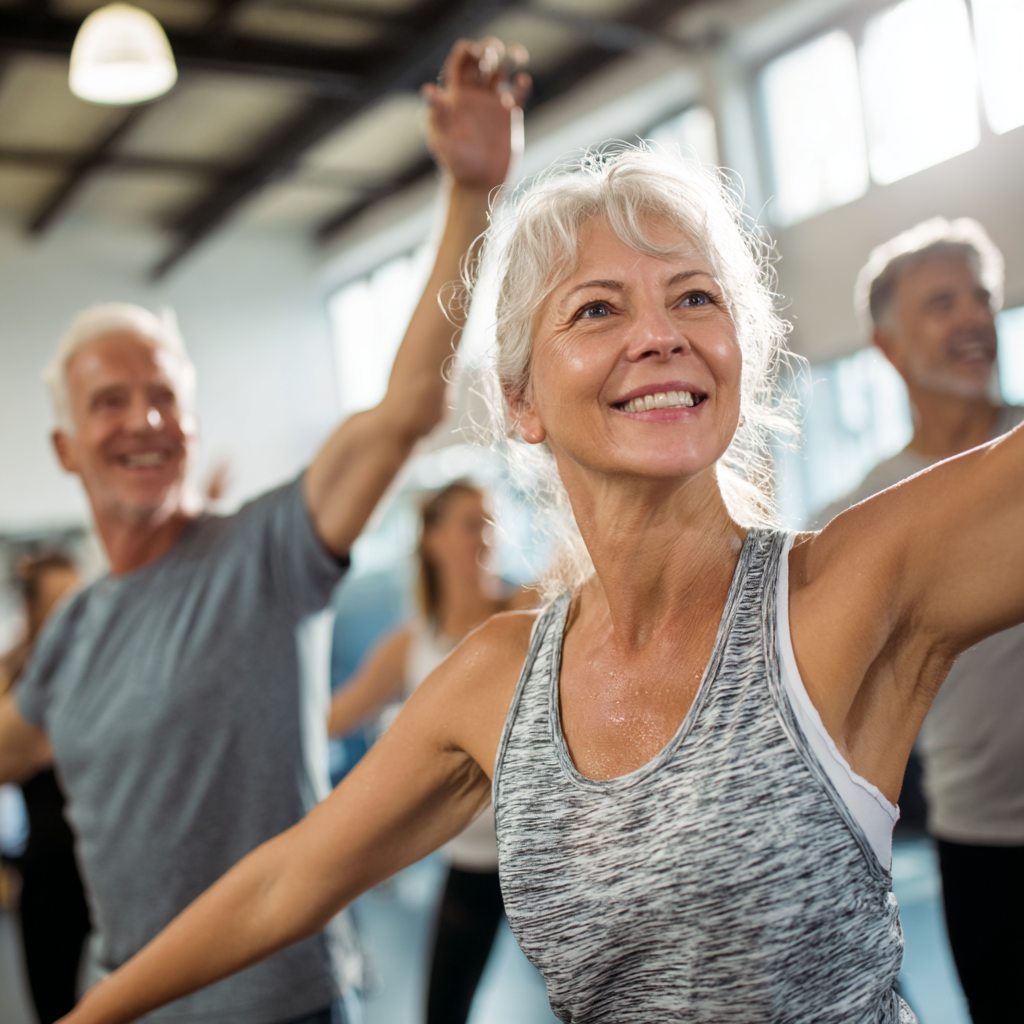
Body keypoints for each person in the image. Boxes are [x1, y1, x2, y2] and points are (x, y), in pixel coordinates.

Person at [43, 145, 1024, 1024]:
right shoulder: (497, 680)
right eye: (598, 308)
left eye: (694, 297)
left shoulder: (848, 586)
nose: (660, 335)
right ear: (520, 401)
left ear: (741, 351)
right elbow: (286, 880)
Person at [0, 38, 528, 1024]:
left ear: (191, 423)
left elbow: (407, 405)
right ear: (67, 449)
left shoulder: (266, 550)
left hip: (283, 1006)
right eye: (109, 403)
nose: (143, 419)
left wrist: (470, 197)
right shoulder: (70, 633)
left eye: (162, 395)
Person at [814, 218, 1022, 1024]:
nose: (973, 317)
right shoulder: (862, 518)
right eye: (943, 304)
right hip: (983, 849)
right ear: (890, 347)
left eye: (982, 298)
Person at [328, 480, 532, 1024]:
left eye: (492, 522)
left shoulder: (529, 609)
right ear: (434, 541)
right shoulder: (409, 646)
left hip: (542, 854)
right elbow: (335, 716)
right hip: (472, 860)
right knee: (443, 1010)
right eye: (471, 524)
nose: (487, 536)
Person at [0, 553, 90, 1024]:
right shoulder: (16, 686)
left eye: (78, 600)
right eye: (56, 603)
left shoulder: (107, 677)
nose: (71, 613)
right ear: (33, 612)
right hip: (48, 875)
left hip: (110, 876)